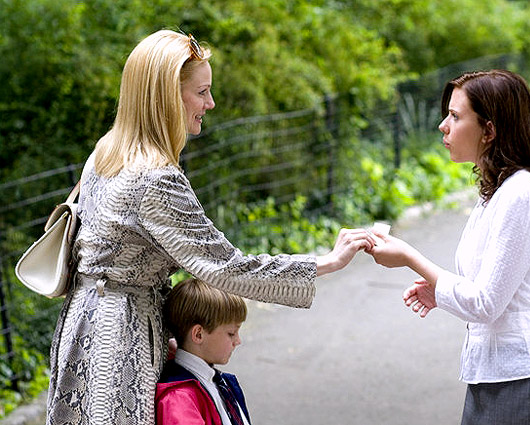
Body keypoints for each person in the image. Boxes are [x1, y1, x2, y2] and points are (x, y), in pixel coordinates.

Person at [45, 29, 373, 425]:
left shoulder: (105, 154)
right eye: (201, 92)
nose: (210, 103)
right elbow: (226, 267)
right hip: (118, 341)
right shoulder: (155, 178)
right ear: (167, 96)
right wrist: (326, 262)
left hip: (84, 324)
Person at [368, 70, 530, 424]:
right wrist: (441, 292)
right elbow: (487, 292)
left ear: (489, 131)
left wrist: (408, 257)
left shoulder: (522, 193)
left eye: (455, 116)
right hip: (496, 376)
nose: (443, 125)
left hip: (525, 379)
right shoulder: (497, 192)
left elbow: (485, 304)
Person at [156, 278, 251, 425]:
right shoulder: (179, 401)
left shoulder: (222, 383)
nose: (238, 341)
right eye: (231, 333)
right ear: (198, 334)